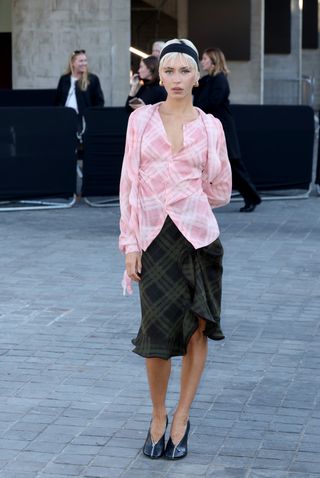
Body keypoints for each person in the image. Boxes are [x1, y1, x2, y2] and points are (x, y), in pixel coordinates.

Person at [119, 39, 232, 460]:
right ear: (159, 76)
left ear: (197, 76)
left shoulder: (210, 127)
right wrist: (129, 244)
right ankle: (157, 414)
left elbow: (220, 189)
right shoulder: (141, 122)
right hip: (151, 238)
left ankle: (182, 416)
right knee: (156, 333)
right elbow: (128, 185)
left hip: (199, 238)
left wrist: (187, 195)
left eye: (185, 71)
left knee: (197, 326)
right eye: (169, 71)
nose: (177, 79)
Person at [193, 47, 261, 212]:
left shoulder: (219, 80)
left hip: (223, 128)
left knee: (234, 163)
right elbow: (194, 89)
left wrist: (195, 110)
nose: (202, 61)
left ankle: (252, 197)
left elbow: (213, 102)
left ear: (214, 61)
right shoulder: (208, 79)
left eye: (205, 58)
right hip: (213, 128)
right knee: (227, 164)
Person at [54, 49, 104, 140]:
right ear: (73, 63)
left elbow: (99, 102)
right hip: (65, 118)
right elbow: (58, 100)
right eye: (81, 61)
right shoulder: (64, 79)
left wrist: (92, 117)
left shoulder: (92, 79)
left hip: (83, 120)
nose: (84, 63)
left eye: (85, 60)